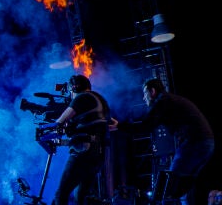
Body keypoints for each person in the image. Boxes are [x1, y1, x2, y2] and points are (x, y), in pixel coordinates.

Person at [113, 78, 215, 204]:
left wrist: (119, 126)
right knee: (185, 187)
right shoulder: (170, 100)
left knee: (169, 186)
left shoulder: (162, 101)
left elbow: (145, 126)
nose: (144, 98)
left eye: (145, 94)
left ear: (152, 91)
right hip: (206, 144)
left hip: (194, 143)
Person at [52, 74, 114, 205]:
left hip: (84, 151)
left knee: (61, 194)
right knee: (80, 197)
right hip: (99, 155)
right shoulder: (101, 99)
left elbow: (60, 122)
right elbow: (111, 125)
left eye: (70, 92)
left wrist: (49, 126)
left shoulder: (81, 97)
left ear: (73, 88)